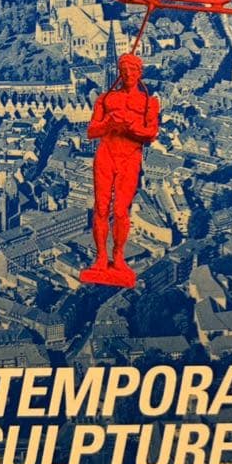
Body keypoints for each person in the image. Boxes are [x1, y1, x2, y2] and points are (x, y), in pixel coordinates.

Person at [80, 52, 159, 287]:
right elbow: (92, 131)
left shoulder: (149, 102)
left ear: (139, 73)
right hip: (106, 154)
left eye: (132, 70)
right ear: (119, 73)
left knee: (121, 210)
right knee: (101, 208)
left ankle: (118, 257)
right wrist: (108, 123)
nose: (128, 74)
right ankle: (101, 258)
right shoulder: (105, 99)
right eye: (124, 71)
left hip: (130, 157)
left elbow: (151, 134)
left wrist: (132, 127)